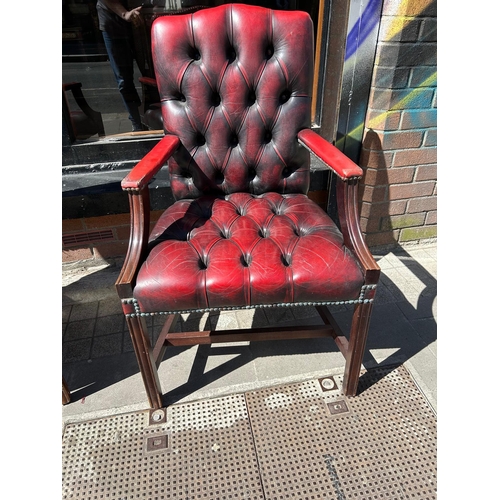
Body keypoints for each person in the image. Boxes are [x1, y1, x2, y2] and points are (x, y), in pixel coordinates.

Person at [96, 0, 144, 131]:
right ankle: (137, 123)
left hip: (144, 15)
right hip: (113, 23)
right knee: (124, 79)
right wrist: (124, 14)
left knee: (154, 72)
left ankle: (149, 116)